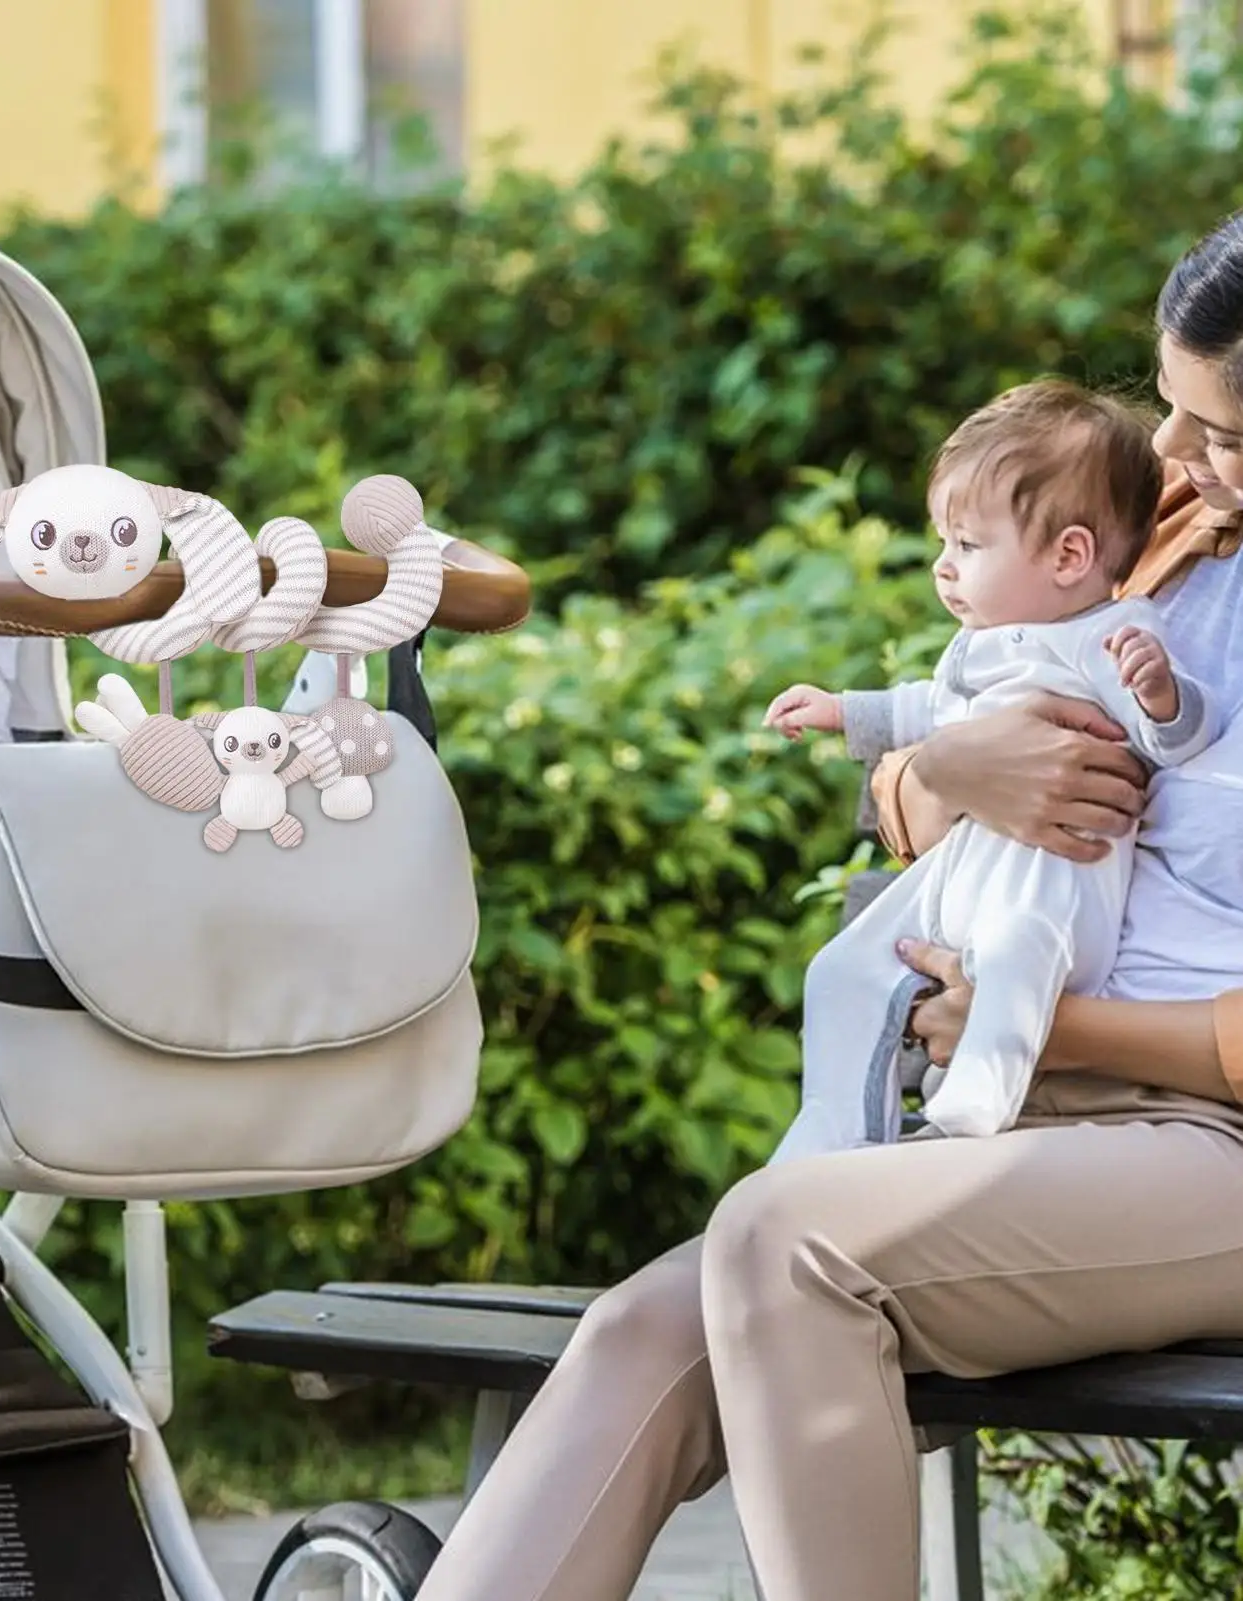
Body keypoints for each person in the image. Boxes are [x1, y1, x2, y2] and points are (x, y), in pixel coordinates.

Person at [410, 210, 1243, 1601]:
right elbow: (960, 755)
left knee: (781, 1243)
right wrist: (939, 767)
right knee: (640, 1333)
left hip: (1194, 1137)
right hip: (1023, 1109)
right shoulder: (1171, 538)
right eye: (1168, 414)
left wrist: (1058, 1034)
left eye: (1214, 428)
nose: (1169, 456)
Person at [761, 380, 1214, 1155]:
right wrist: (841, 710)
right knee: (841, 969)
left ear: (1070, 554)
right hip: (969, 864)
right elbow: (926, 711)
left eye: (966, 546)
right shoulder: (985, 641)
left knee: (1015, 950)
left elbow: (1170, 740)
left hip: (1055, 873)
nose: (942, 567)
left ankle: (978, 1096)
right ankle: (828, 1128)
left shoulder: (1114, 632)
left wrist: (1161, 696)